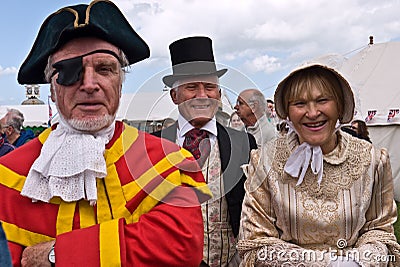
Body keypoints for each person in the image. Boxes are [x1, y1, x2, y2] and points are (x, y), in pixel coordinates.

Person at [0, 1, 212, 266]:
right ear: (52, 90)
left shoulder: (169, 161)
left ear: (120, 84)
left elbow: (180, 247)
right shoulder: (6, 175)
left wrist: (57, 255)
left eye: (104, 69)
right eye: (69, 72)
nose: (89, 85)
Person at [237, 63, 400, 266]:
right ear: (287, 112)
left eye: (322, 100)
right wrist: (328, 263)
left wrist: (358, 262)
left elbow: (381, 231)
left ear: (340, 106)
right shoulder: (264, 162)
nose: (312, 113)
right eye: (300, 103)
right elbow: (254, 244)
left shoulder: (372, 160)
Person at [152, 36, 257, 267]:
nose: (202, 95)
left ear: (219, 94)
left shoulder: (244, 143)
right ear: (174, 95)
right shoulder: (151, 146)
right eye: (191, 87)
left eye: (209, 87)